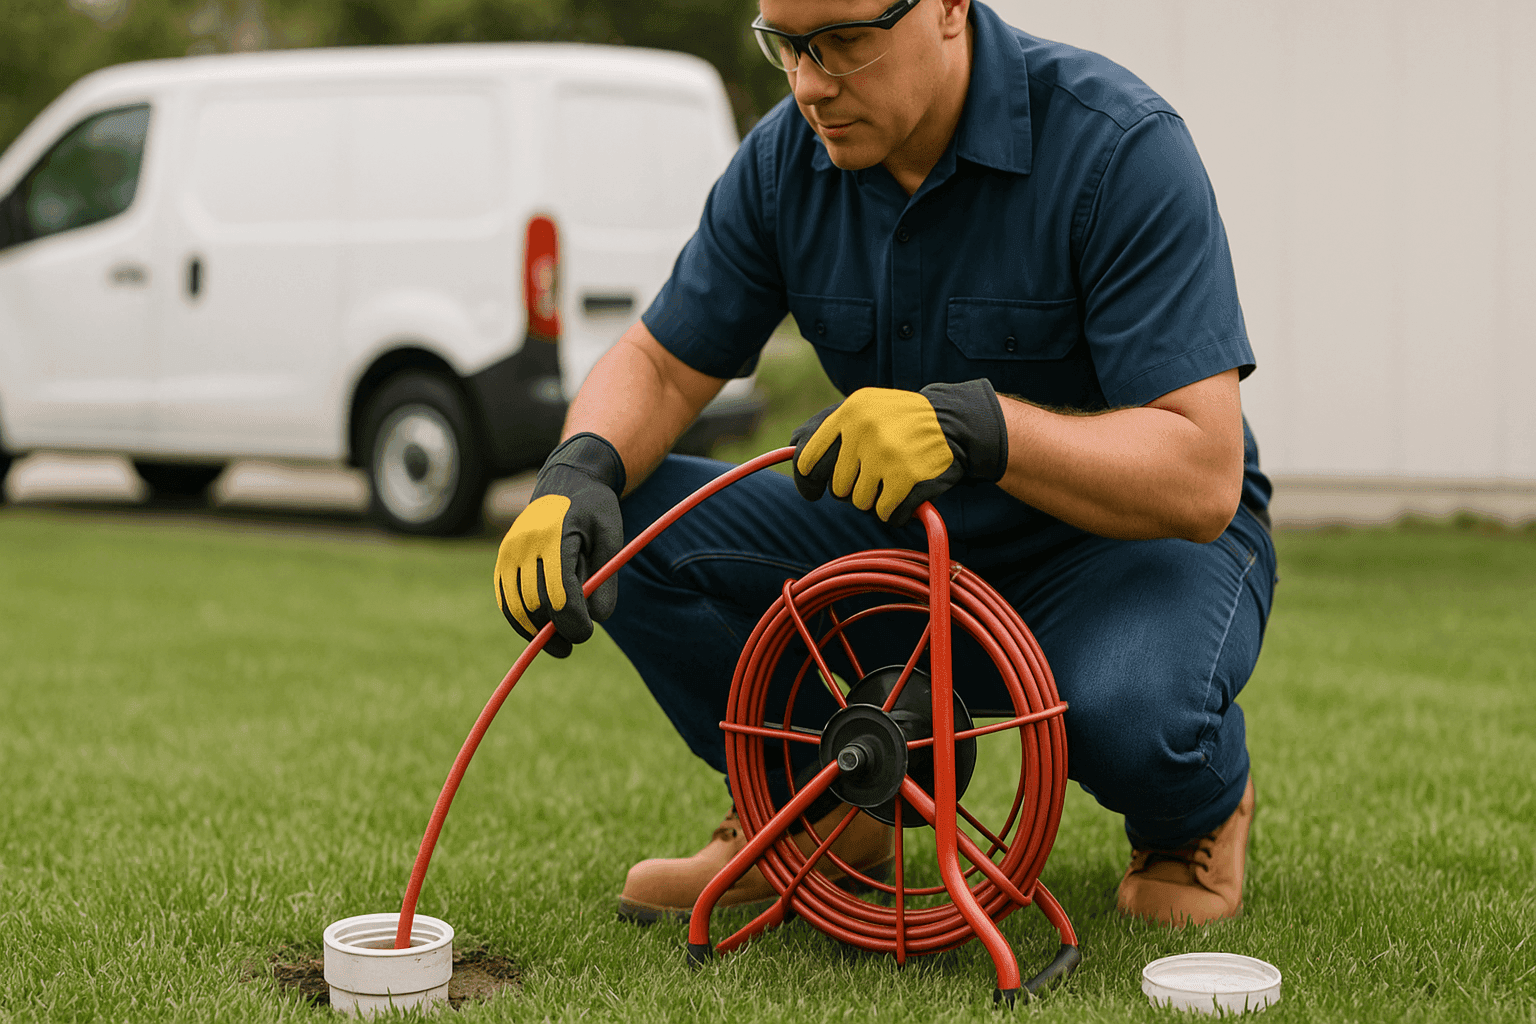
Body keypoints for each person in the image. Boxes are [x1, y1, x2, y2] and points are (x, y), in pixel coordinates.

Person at [493, 0, 1277, 929]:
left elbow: (1199, 470)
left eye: (845, 44)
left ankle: (1192, 815)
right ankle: (830, 803)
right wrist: (576, 472)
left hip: (1122, 549)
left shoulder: (1118, 147)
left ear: (947, 8)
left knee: (1127, 713)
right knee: (635, 522)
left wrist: (977, 428)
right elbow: (663, 362)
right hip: (904, 548)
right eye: (786, 45)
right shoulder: (786, 159)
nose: (810, 84)